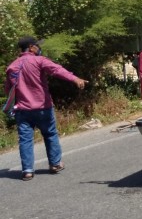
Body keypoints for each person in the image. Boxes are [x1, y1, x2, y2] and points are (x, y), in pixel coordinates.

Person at [4, 36, 87, 181]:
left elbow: (8, 91)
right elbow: (57, 70)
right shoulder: (39, 61)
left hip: (23, 110)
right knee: (50, 134)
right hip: (43, 107)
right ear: (31, 47)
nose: (38, 48)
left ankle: (28, 171)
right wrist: (75, 79)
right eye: (36, 45)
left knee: (25, 140)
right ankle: (55, 164)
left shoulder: (12, 67)